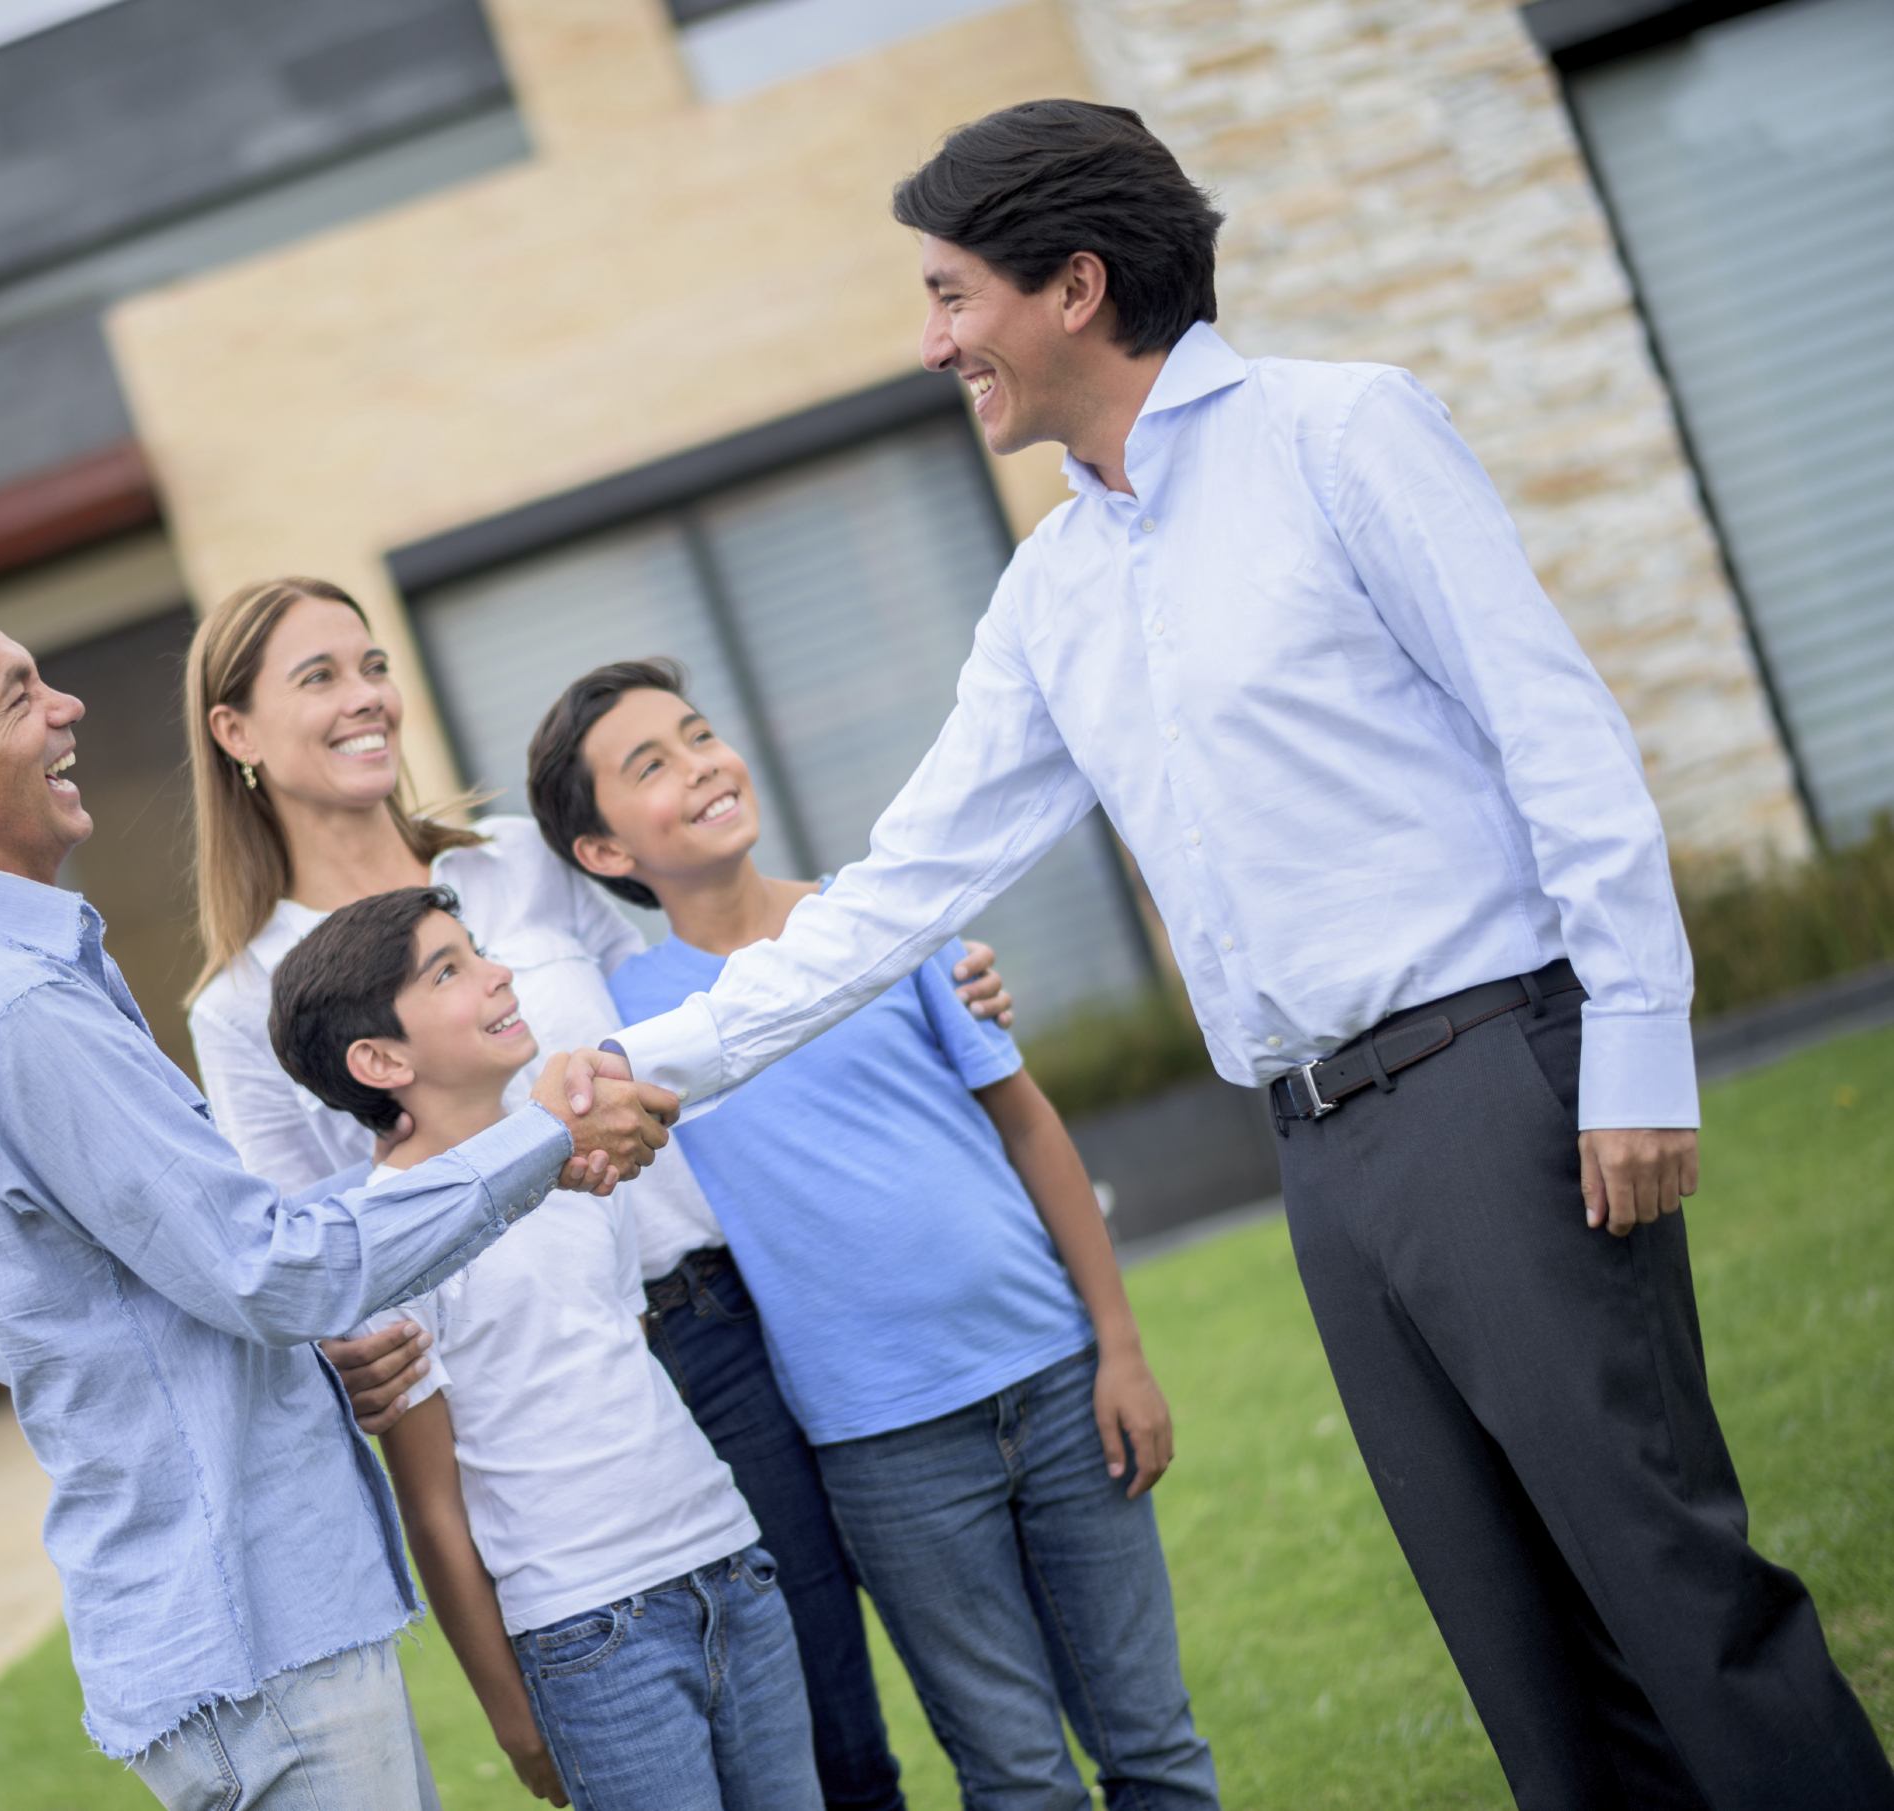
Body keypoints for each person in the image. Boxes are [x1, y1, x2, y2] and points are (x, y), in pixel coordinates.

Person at [584, 100, 1894, 1811]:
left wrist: (1634, 1048)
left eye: (946, 295)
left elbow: (1554, 736)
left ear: (1068, 284)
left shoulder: (1338, 434)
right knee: (1512, 1639)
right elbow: (898, 885)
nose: (929, 345)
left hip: (1494, 1083)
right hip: (1318, 1150)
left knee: (1664, 1588)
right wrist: (650, 1066)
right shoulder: (1051, 588)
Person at [0, 602, 677, 1811]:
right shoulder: (13, 1012)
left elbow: (155, 1285)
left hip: (249, 1625)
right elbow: (269, 1266)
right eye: (14, 696)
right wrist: (540, 1139)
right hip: (254, 1636)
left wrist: (320, 1352)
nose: (67, 708)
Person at [181, 577, 1009, 1811]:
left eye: (370, 663)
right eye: (318, 677)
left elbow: (709, 990)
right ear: (235, 733)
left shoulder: (515, 860)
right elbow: (305, 1248)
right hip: (520, 1401)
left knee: (830, 1716)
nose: (365, 697)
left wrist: (916, 971)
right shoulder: (244, 999)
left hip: (719, 1320)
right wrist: (338, 1354)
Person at [531, 659, 1217, 1809]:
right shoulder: (631, 1022)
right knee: (1013, 1771)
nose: (699, 760)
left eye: (700, 732)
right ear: (602, 853)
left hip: (1056, 1383)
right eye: (649, 763)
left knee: (1153, 1746)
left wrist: (1120, 1344)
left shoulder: (880, 918)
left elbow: (1030, 1127)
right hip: (882, 1447)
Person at [269, 886, 818, 1811]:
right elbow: (434, 1514)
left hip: (733, 1563)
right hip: (591, 1631)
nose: (499, 973)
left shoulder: (578, 1161)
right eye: (451, 969)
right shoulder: (386, 1244)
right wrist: (512, 1717)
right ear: (379, 1059)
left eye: (480, 949)